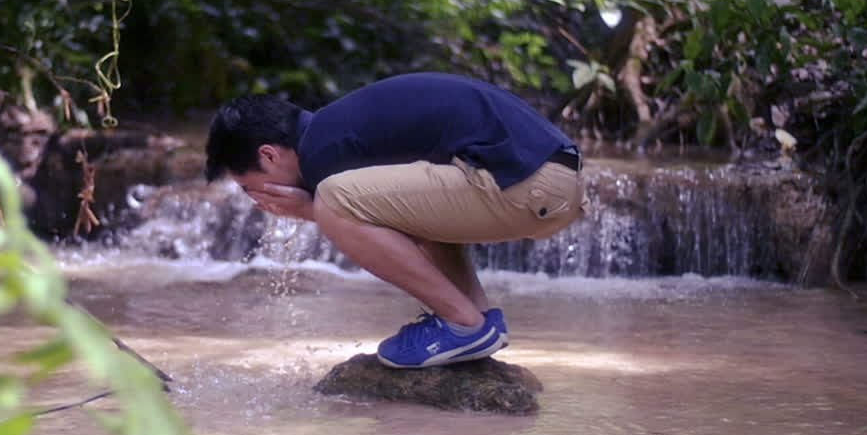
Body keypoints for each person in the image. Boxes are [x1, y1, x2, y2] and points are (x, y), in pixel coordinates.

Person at [204, 72, 588, 369]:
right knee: (369, 202)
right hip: (552, 179)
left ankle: (461, 324)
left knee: (334, 199)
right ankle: (479, 322)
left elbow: (343, 211)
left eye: (247, 186)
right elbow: (401, 217)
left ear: (269, 156)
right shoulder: (340, 128)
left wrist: (311, 209)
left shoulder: (323, 149)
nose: (255, 199)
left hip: (527, 183)